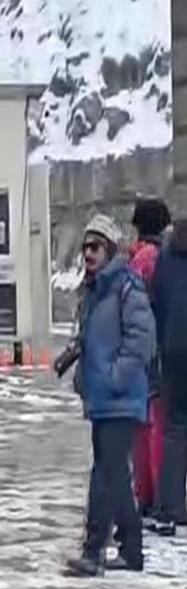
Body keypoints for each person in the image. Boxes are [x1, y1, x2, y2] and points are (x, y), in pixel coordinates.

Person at [66, 214, 155, 577]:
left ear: (111, 250)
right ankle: (128, 550)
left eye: (95, 246)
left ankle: (95, 550)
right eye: (85, 246)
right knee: (110, 473)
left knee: (107, 474)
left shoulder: (126, 287)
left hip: (120, 398)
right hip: (102, 399)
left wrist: (117, 377)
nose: (88, 253)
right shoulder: (93, 291)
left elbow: (141, 340)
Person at [129, 198, 170, 519]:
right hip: (164, 351)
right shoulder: (166, 258)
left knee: (144, 428)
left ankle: (145, 494)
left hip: (141, 352)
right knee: (160, 427)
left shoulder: (139, 261)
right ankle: (161, 496)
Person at [153, 215, 187, 537]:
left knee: (174, 428)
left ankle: (172, 506)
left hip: (174, 351)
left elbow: (157, 302)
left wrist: (163, 343)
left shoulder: (165, 255)